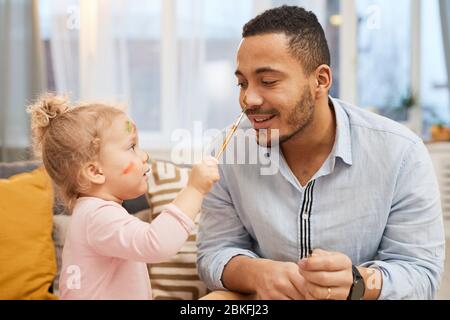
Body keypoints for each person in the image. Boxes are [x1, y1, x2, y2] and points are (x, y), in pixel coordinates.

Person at [197, 5, 445, 300]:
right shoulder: (228, 151)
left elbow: (421, 274)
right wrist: (258, 273)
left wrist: (359, 282)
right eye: (242, 83)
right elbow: (214, 251)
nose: (248, 98)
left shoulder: (401, 153)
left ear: (321, 80)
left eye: (268, 82)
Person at [27, 94, 220, 299]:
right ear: (95, 171)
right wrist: (194, 189)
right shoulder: (98, 216)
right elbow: (156, 243)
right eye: (131, 147)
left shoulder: (93, 213)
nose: (144, 156)